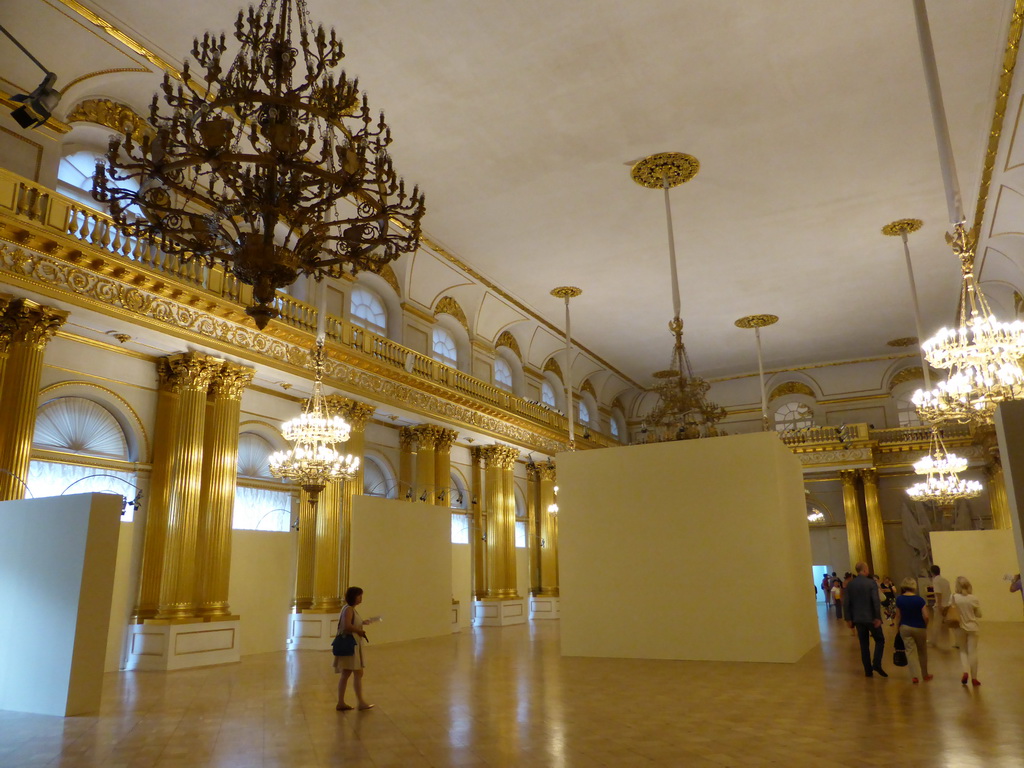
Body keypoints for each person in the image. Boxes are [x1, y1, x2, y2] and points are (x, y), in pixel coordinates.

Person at [334, 586, 375, 711]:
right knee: (356, 672)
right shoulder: (349, 610)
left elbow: (351, 623)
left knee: (349, 673)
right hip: (351, 645)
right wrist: (360, 631)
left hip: (353, 645)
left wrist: (362, 623)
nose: (361, 598)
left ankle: (343, 702)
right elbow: (347, 626)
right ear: (354, 596)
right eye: (359, 596)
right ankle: (359, 702)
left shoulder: (350, 609)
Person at [844, 562, 886, 678]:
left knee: (864, 645)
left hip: (858, 619)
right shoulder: (871, 583)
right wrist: (877, 617)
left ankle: (868, 671)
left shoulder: (850, 584)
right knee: (880, 640)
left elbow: (846, 602)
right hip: (871, 618)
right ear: (865, 570)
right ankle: (876, 663)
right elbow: (875, 601)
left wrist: (848, 618)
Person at [895, 577, 931, 684]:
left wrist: (898, 628)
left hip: (905, 627)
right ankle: (925, 674)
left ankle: (915, 676)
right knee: (922, 651)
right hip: (919, 627)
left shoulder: (899, 599)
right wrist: (925, 626)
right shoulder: (920, 600)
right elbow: (926, 616)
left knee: (910, 652)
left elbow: (898, 615)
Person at [950, 576, 982, 686]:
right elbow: (979, 614)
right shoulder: (973, 598)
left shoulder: (954, 597)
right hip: (973, 627)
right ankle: (974, 678)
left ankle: (965, 672)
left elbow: (951, 610)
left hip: (959, 627)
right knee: (973, 652)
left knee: (963, 650)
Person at [927, 564, 952, 650]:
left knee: (936, 624)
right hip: (947, 604)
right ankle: (959, 642)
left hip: (940, 606)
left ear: (931, 572)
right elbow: (949, 593)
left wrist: (939, 605)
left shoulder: (936, 581)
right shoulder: (945, 580)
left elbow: (938, 593)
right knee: (952, 623)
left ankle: (933, 642)